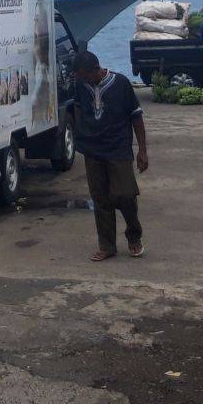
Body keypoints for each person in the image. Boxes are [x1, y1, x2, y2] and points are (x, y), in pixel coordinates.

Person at [72, 51, 149, 262]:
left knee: (125, 195)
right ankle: (106, 245)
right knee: (101, 198)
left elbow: (136, 116)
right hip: (93, 149)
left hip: (118, 148)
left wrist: (142, 149)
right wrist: (81, 134)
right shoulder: (81, 85)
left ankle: (134, 236)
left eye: (85, 76)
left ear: (96, 69)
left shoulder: (121, 84)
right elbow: (79, 108)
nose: (83, 80)